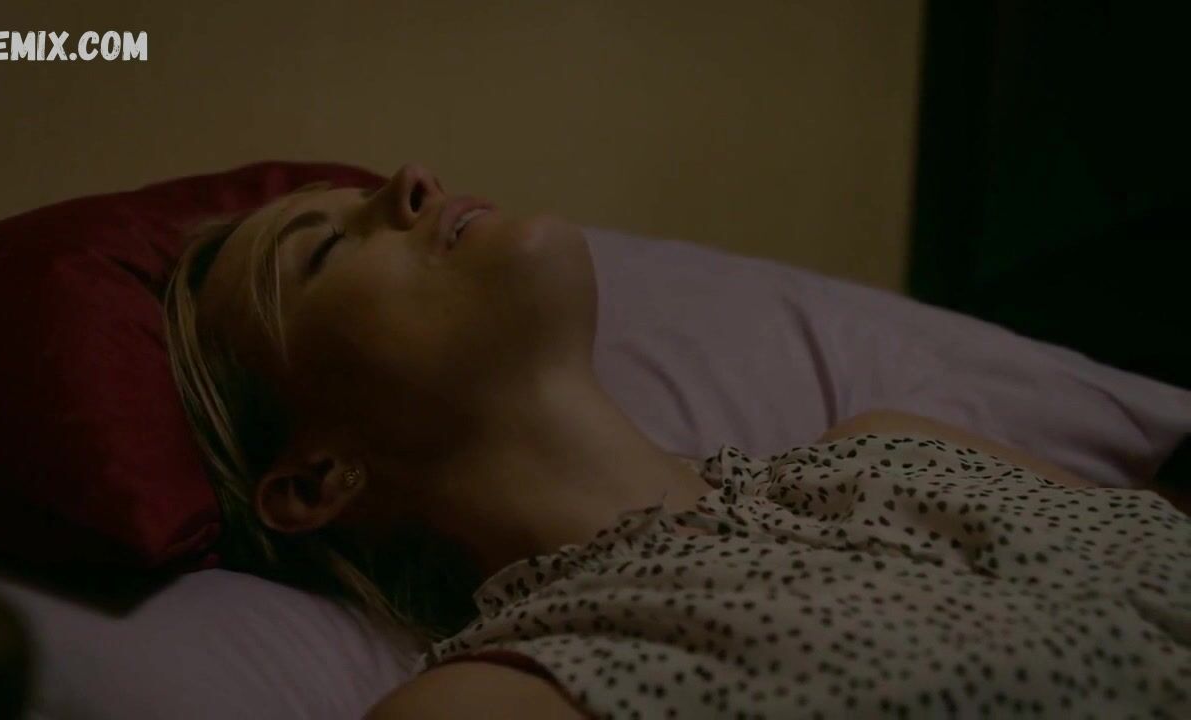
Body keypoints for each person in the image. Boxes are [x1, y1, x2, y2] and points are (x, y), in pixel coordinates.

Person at [163, 164, 1190, 718]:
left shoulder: (891, 446)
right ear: (317, 479)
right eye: (327, 251)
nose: (409, 182)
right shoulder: (500, 697)